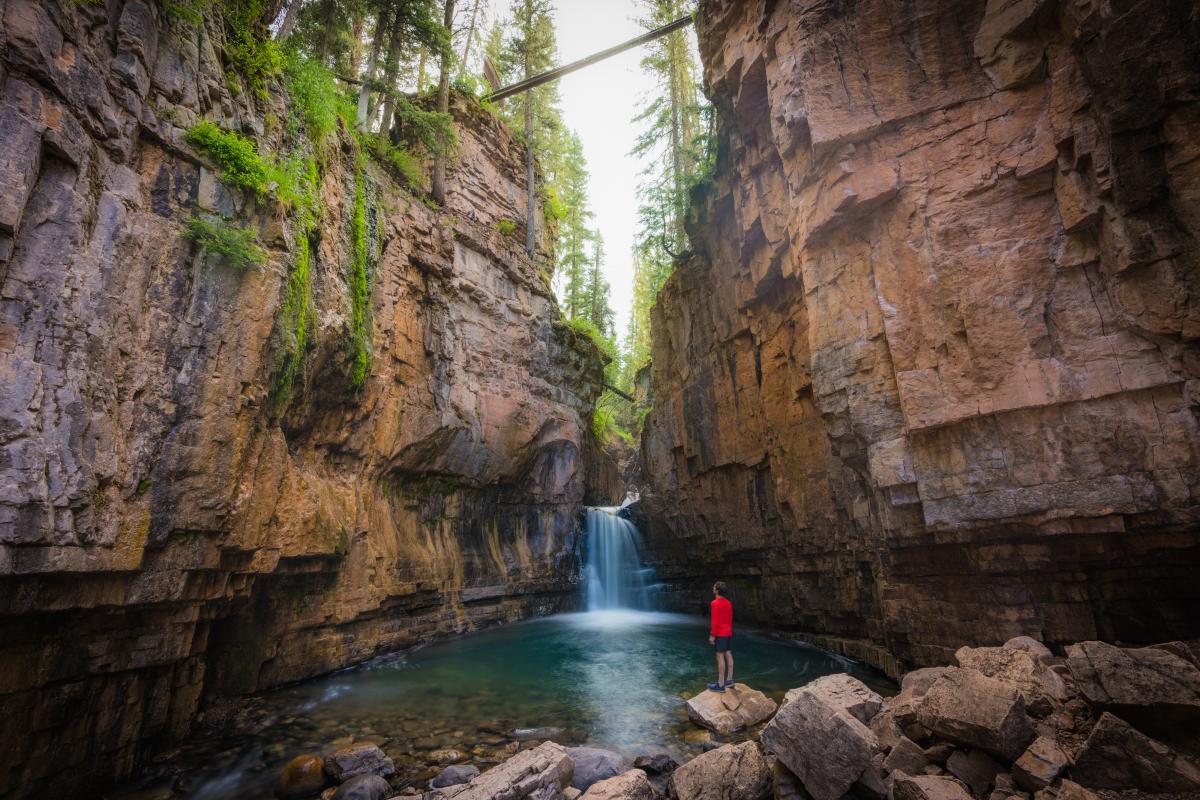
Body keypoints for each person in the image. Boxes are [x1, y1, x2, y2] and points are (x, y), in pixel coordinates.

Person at [707, 581, 734, 692]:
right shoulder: (728, 603)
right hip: (728, 632)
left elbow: (715, 622)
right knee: (728, 653)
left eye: (714, 587)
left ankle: (721, 685)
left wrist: (712, 636)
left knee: (720, 657)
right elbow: (730, 618)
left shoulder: (715, 603)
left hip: (720, 633)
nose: (712, 588)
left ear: (717, 590)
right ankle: (730, 680)